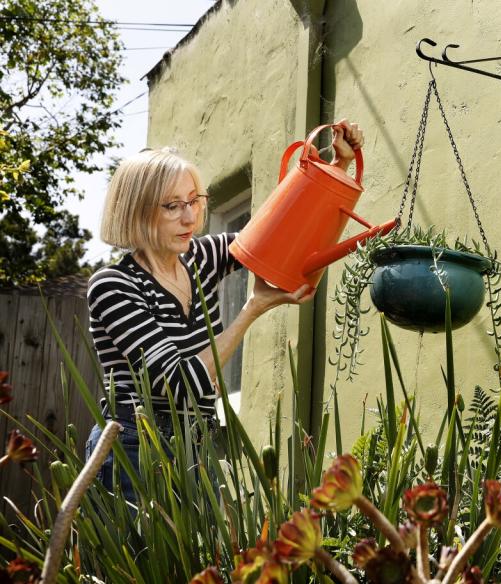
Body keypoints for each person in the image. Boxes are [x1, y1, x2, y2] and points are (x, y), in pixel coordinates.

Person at [84, 121, 365, 500]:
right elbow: (182, 386)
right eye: (172, 206)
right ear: (136, 211)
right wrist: (252, 309)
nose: (190, 218)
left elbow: (287, 233)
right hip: (134, 449)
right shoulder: (114, 286)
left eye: (195, 200)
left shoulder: (199, 256)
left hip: (196, 445)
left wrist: (338, 168)